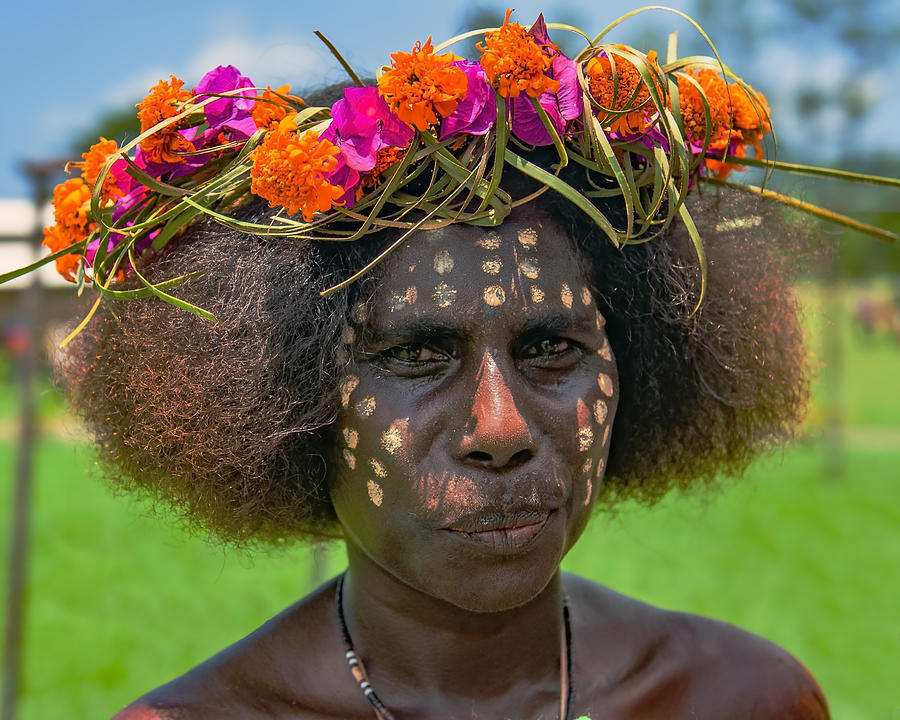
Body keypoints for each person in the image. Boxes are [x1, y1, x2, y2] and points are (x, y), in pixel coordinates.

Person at [18, 8, 896, 719]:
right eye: (415, 353)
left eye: (552, 348)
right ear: (282, 397)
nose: (501, 430)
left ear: (643, 361)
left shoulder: (742, 700)